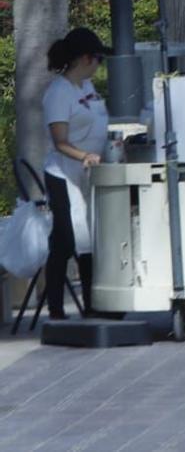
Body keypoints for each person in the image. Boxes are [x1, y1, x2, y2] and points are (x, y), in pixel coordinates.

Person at [40, 27, 109, 321]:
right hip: (64, 173)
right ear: (85, 58)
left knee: (90, 236)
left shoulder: (87, 88)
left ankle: (94, 302)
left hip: (87, 174)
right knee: (67, 240)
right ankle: (55, 308)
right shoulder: (59, 93)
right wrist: (86, 156)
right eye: (98, 59)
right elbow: (60, 141)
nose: (99, 66)